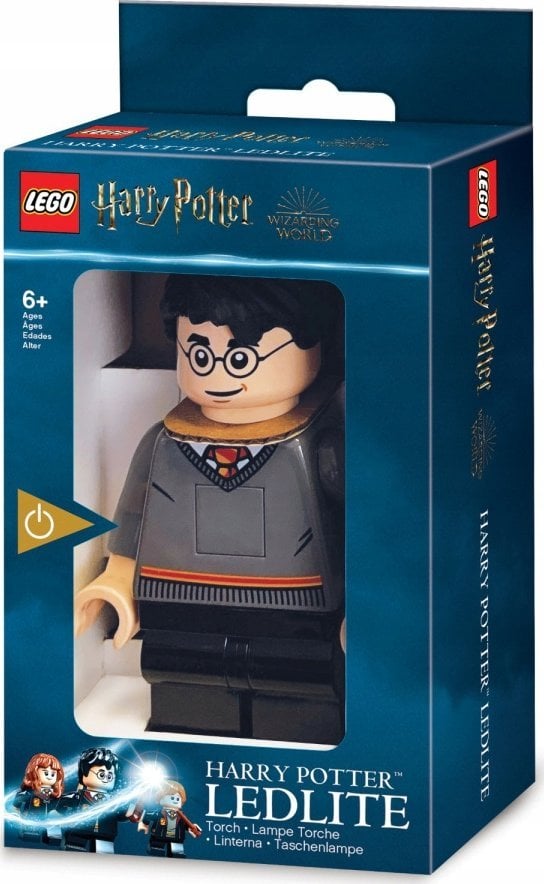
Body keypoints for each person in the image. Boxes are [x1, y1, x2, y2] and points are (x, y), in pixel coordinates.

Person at [76, 275, 345, 743]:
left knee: (298, 684)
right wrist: (117, 579)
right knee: (181, 678)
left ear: (313, 344)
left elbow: (363, 524)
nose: (218, 376)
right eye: (200, 356)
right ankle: (187, 742)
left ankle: (295, 745)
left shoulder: (319, 442)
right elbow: (136, 514)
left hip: (295, 612)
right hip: (180, 604)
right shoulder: (165, 442)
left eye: (240, 358)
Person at [13, 752, 64, 844]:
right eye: (46, 773)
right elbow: (16, 805)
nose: (49, 777)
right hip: (33, 819)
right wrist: (18, 816)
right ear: (34, 773)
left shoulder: (55, 795)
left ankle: (52, 837)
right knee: (31, 838)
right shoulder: (30, 793)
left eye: (53, 774)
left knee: (55, 838)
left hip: (51, 822)